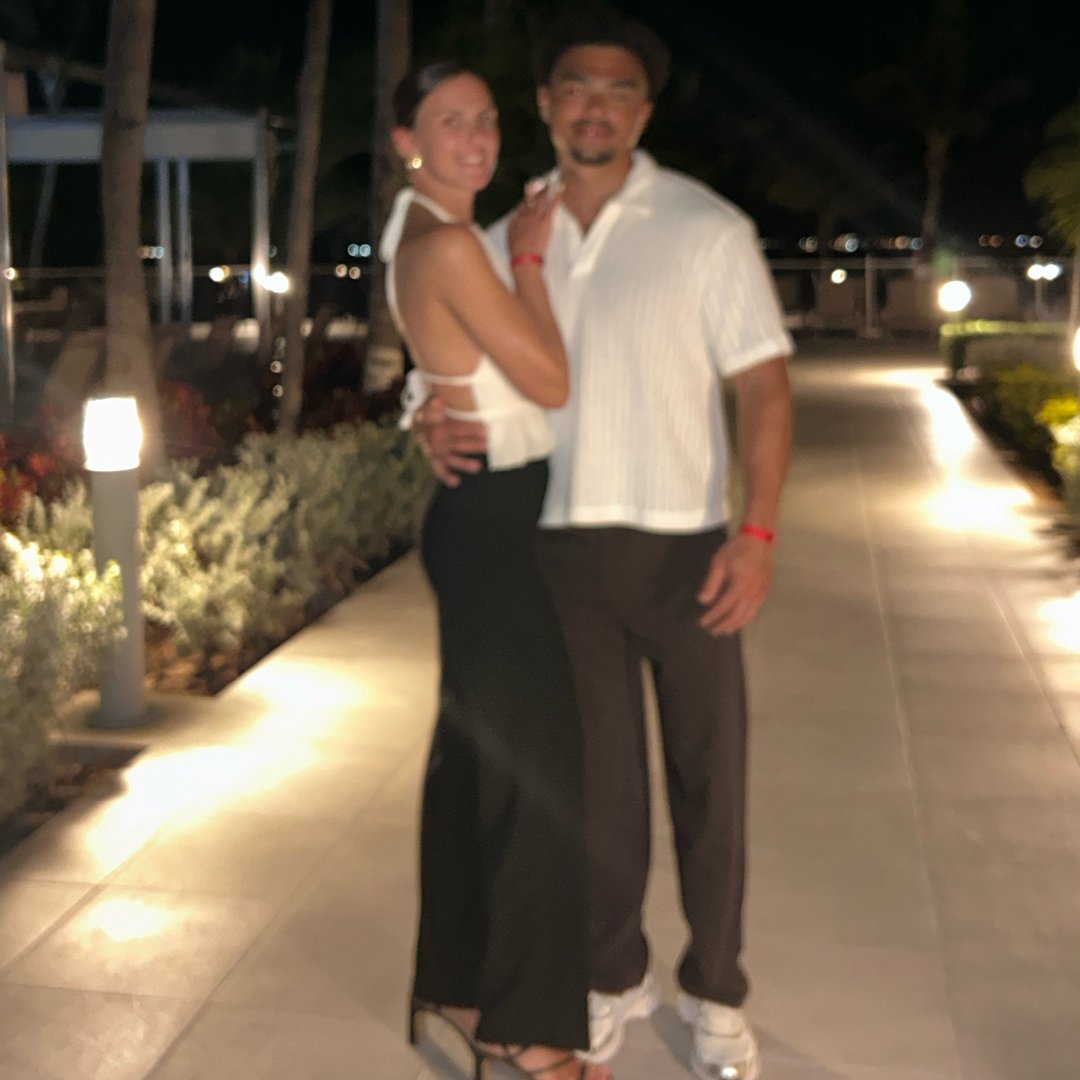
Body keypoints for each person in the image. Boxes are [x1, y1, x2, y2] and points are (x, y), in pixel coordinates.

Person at [411, 12, 794, 1080]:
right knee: (600, 796)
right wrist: (428, 418)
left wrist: (758, 532)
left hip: (686, 554)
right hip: (554, 556)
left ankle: (715, 990)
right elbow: (445, 372)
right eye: (576, 86)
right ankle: (614, 973)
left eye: (620, 90)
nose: (596, 106)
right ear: (544, 104)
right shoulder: (499, 240)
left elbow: (764, 387)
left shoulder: (706, 228)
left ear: (645, 110)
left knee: (711, 783)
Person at [381, 60, 613, 1080]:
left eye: (484, 119)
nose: (475, 137)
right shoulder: (453, 244)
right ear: (408, 141)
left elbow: (439, 363)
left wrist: (420, 410)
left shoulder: (419, 230)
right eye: (449, 122)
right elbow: (549, 380)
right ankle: (524, 1030)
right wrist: (525, 258)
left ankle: (457, 987)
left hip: (481, 517)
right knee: (535, 777)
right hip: (497, 526)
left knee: (474, 764)